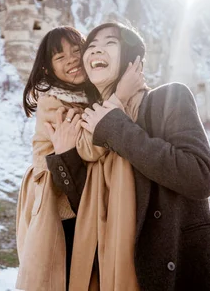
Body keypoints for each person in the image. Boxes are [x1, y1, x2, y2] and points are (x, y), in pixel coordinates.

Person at [45, 22, 210, 290]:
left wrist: (116, 127)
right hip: (114, 272)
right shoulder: (89, 123)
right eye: (92, 47)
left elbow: (199, 177)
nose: (97, 51)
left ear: (133, 61)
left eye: (110, 43)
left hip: (180, 275)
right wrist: (66, 157)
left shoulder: (168, 99)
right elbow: (89, 207)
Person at [16, 26, 143, 291]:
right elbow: (90, 147)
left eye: (77, 50)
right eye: (60, 57)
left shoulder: (90, 95)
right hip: (59, 204)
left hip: (82, 194)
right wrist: (120, 97)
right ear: (48, 69)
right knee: (67, 275)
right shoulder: (54, 103)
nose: (72, 59)